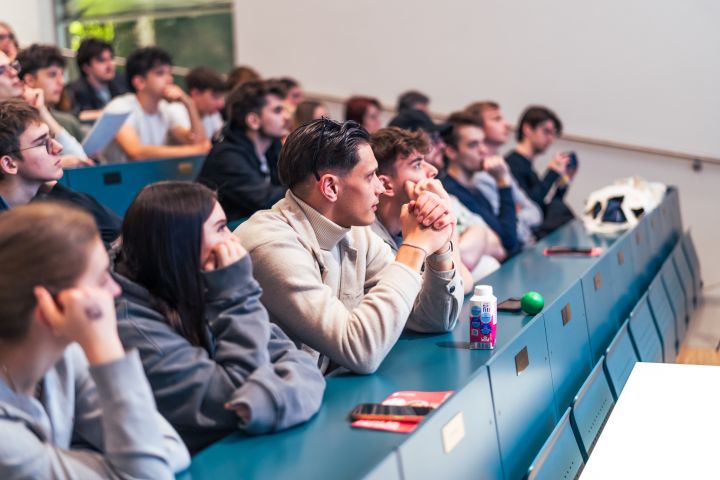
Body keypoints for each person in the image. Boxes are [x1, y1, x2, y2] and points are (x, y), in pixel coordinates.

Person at [236, 119, 463, 375]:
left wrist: (440, 248)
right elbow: (361, 351)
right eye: (370, 176)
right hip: (273, 397)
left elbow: (435, 318)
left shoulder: (355, 231)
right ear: (331, 187)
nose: (380, 188)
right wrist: (414, 248)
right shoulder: (272, 245)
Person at [113, 181, 325, 454]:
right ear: (181, 243)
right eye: (221, 228)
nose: (233, 240)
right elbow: (236, 400)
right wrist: (236, 296)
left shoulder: (199, 284)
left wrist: (268, 400)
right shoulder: (134, 330)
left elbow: (298, 362)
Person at [0, 202, 190, 478]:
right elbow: (150, 473)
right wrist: (107, 350)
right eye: (101, 280)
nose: (115, 289)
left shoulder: (65, 356)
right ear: (52, 306)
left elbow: (168, 448)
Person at [370, 126, 502, 287]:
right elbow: (455, 286)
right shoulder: (373, 239)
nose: (433, 171)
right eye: (417, 165)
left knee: (489, 264)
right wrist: (445, 208)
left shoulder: (410, 223)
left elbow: (463, 279)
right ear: (386, 185)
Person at [0, 98, 121, 246]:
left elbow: (115, 231)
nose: (58, 148)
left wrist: (57, 190)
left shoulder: (47, 197)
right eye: (42, 143)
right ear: (9, 164)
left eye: (51, 138)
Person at [197, 80, 289, 220]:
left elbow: (286, 182)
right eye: (277, 111)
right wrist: (306, 190)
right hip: (225, 226)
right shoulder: (226, 156)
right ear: (253, 121)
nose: (287, 117)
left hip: (254, 222)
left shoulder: (272, 145)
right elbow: (264, 199)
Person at [103, 46, 210, 163]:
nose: (169, 79)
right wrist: (195, 150)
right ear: (140, 82)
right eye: (160, 73)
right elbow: (136, 152)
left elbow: (197, 142)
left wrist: (189, 104)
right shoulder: (120, 106)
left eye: (169, 73)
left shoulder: (164, 109)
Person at [440, 112, 521, 256]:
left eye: (483, 142)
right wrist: (503, 182)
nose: (483, 150)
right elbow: (509, 241)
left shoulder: (473, 188)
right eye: (473, 145)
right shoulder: (451, 191)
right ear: (451, 152)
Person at [464, 101, 543, 246]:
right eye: (497, 119)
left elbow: (536, 212)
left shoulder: (501, 166)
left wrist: (517, 214)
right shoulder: (479, 177)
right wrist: (516, 211)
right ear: (478, 127)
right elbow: (511, 231)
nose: (505, 124)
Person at [0, 49, 89, 167]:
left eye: (12, 66)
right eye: (1, 70)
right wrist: (60, 163)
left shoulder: (20, 116)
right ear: (29, 80)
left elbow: (80, 159)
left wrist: (42, 110)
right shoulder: (15, 123)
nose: (13, 72)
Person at [506, 105, 575, 237]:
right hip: (526, 234)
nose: (550, 139)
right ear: (527, 129)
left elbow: (544, 205)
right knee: (559, 210)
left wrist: (564, 181)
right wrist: (552, 172)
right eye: (546, 132)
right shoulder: (512, 164)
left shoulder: (527, 165)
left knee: (559, 208)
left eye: (553, 134)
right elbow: (530, 205)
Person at [16, 44, 88, 144]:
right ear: (30, 80)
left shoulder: (69, 123)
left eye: (62, 74)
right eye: (52, 74)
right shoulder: (14, 126)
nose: (61, 82)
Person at [67, 38, 128, 122]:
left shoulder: (121, 85)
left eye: (111, 58)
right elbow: (73, 117)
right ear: (86, 67)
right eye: (102, 60)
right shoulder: (73, 92)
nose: (109, 65)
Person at [169, 66, 227, 140]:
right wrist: (190, 104)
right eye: (215, 97)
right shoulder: (175, 112)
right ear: (195, 94)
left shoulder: (213, 115)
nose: (222, 103)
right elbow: (197, 142)